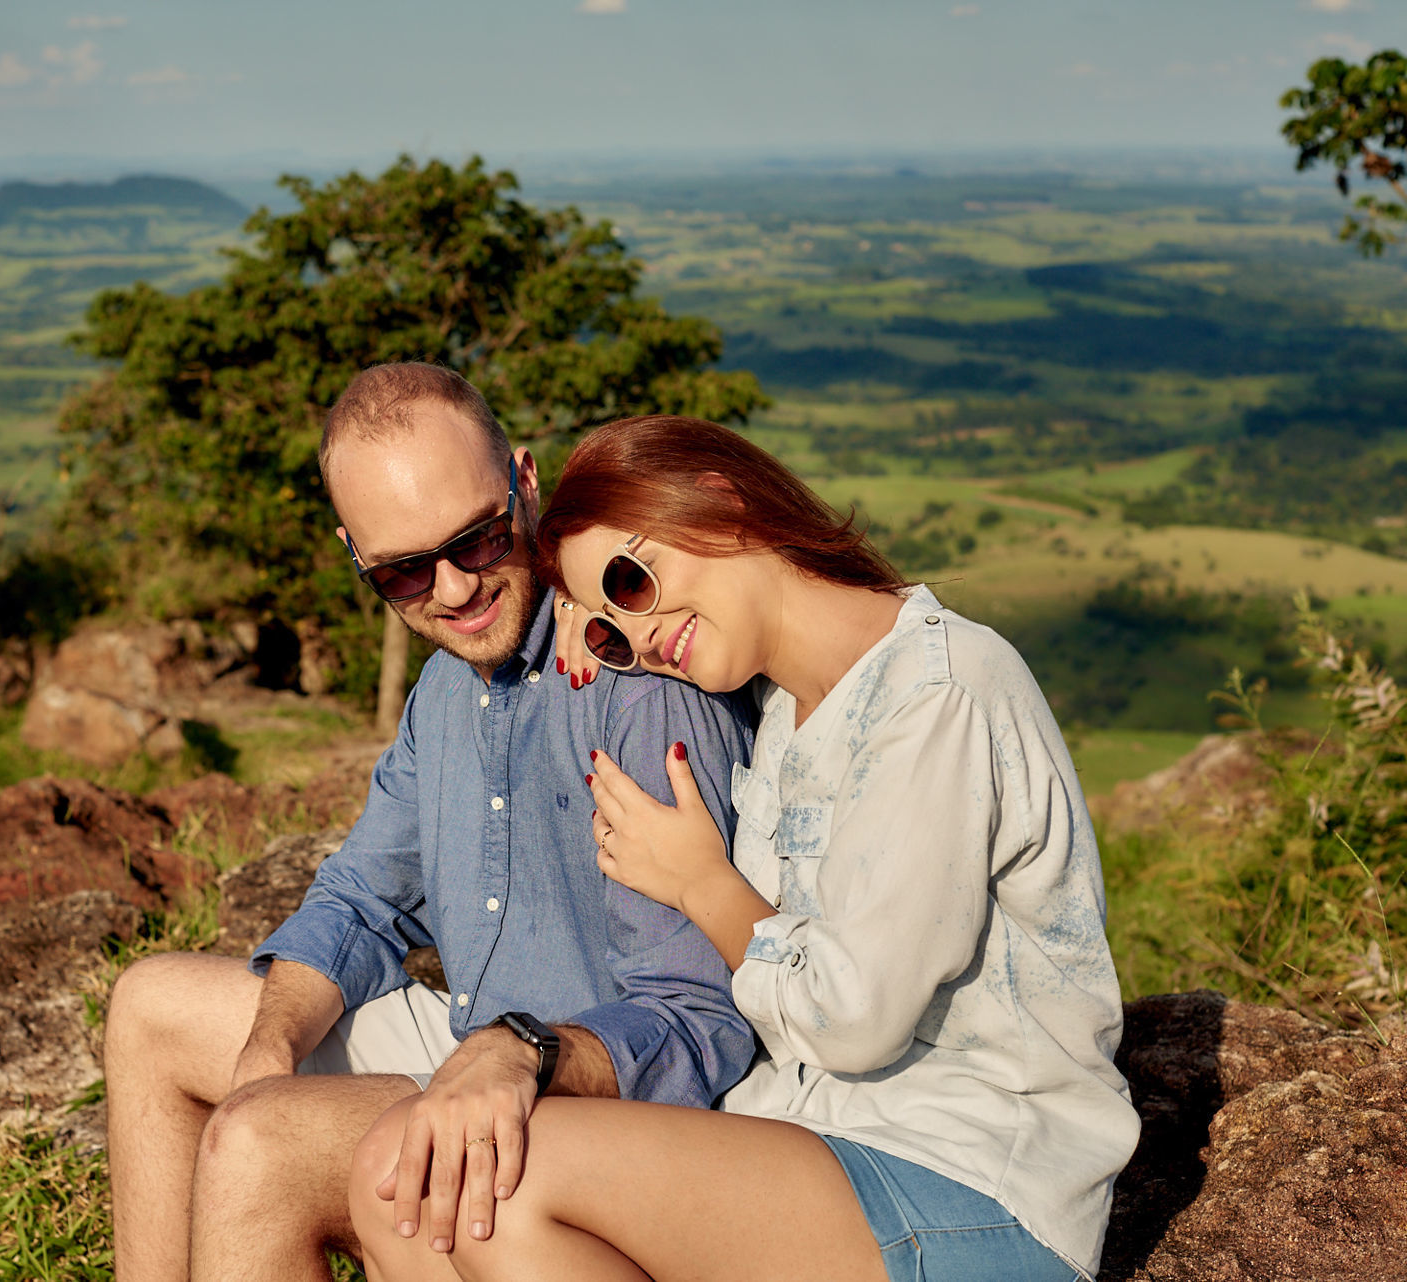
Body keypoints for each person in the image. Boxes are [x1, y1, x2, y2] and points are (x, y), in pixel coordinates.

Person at [349, 414, 1139, 1282]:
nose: (640, 635)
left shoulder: (938, 694)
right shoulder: (779, 711)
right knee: (408, 1181)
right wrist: (597, 618)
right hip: (814, 1141)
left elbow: (855, 1019)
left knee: (499, 1176)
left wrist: (704, 886)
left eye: (632, 580)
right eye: (611, 625)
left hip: (977, 1177)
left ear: (720, 503)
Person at [102, 369, 757, 1281]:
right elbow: (365, 896)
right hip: (468, 1043)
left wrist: (519, 1055)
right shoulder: (447, 686)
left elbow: (698, 1021)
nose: (452, 590)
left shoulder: (627, 671)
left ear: (525, 484)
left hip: (588, 1100)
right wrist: (270, 1042)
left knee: (257, 1141)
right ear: (355, 555)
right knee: (152, 1010)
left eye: (478, 540)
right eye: (402, 569)